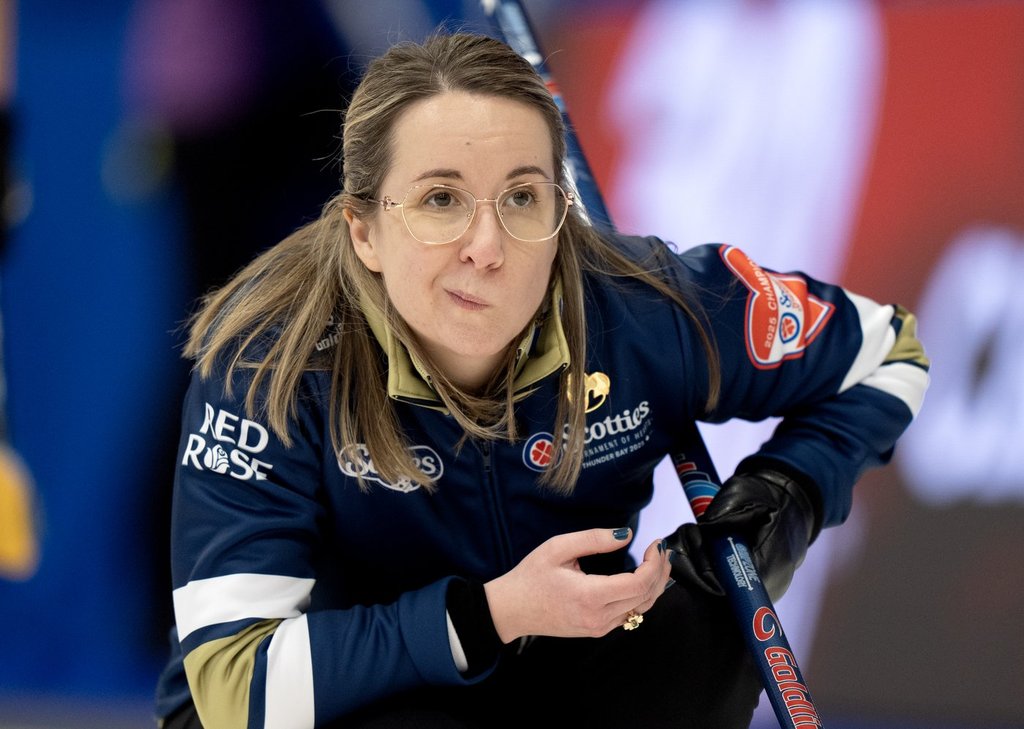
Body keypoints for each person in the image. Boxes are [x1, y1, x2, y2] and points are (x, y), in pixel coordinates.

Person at [153, 31, 930, 729]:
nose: (487, 246)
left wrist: (781, 506)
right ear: (365, 230)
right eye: (441, 200)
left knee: (701, 626)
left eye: (521, 197)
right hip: (343, 693)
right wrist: (491, 613)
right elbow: (232, 687)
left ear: (561, 209)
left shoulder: (642, 309)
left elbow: (888, 353)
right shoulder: (272, 363)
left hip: (561, 665)